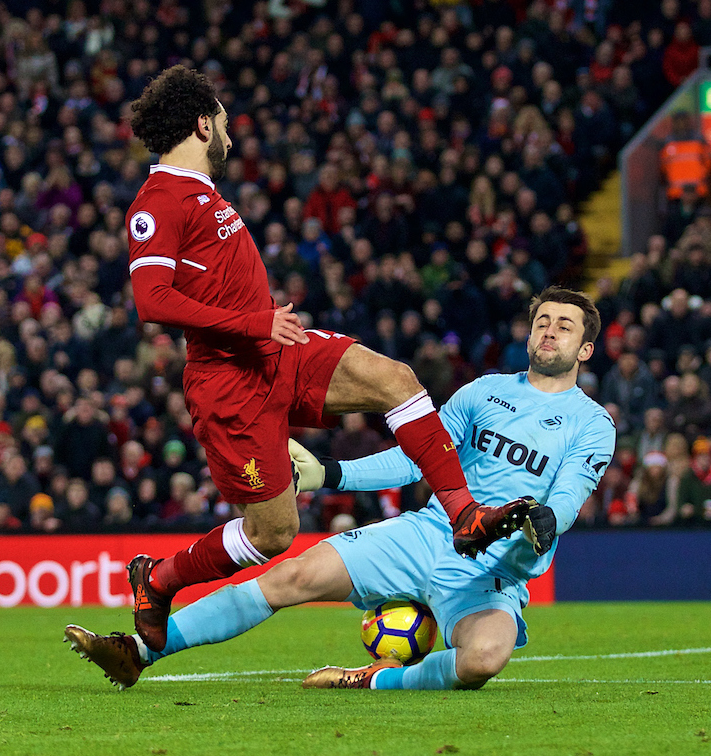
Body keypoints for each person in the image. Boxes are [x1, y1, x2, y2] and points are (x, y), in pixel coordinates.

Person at [121, 65, 531, 654]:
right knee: (273, 534)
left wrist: (264, 327)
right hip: (229, 381)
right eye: (226, 124)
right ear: (203, 126)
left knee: (396, 380)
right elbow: (151, 300)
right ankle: (159, 580)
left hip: (279, 351)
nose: (232, 137)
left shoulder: (204, 195)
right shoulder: (159, 201)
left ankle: (464, 513)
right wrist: (253, 322)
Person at [64, 286, 615, 692]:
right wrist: (333, 473)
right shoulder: (484, 392)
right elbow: (419, 458)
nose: (549, 331)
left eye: (564, 326)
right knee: (289, 576)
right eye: (543, 320)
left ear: (584, 350)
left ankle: (377, 680)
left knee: (482, 661)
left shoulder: (592, 424)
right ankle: (136, 650)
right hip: (426, 534)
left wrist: (545, 518)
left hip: (490, 570)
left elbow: (567, 497)